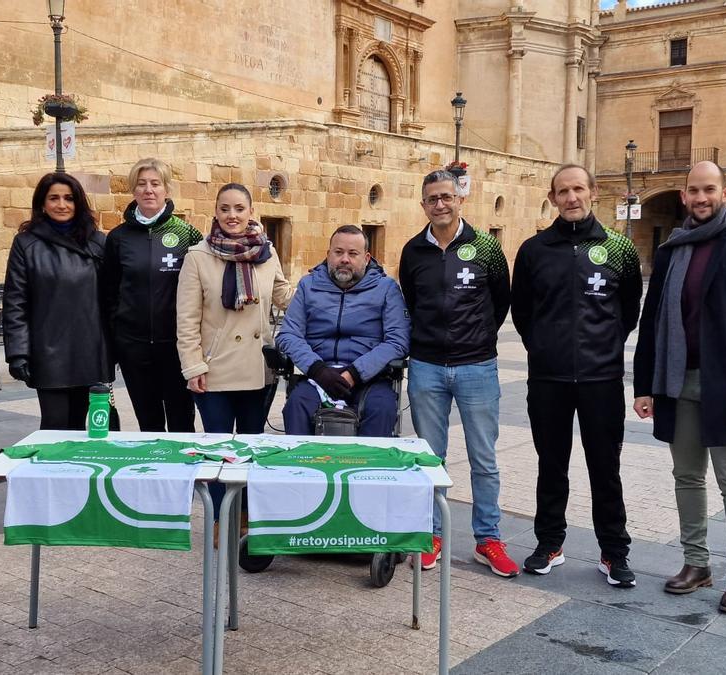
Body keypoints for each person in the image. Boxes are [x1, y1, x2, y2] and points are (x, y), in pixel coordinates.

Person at [633, 161, 726, 614]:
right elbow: (651, 319)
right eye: (694, 190)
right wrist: (645, 385)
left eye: (709, 189)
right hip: (677, 383)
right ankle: (696, 564)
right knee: (686, 477)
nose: (701, 198)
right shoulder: (670, 251)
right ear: (683, 196)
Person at [511, 164, 642, 588]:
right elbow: (522, 312)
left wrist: (601, 350)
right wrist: (547, 349)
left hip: (601, 380)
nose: (571, 197)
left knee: (605, 467)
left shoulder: (619, 248)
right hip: (547, 379)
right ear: (552, 198)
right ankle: (549, 543)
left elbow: (629, 311)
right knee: (551, 465)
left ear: (593, 192)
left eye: (578, 189)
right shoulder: (533, 250)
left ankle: (613, 552)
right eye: (563, 191)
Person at [398, 169, 518, 578]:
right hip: (427, 367)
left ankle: (488, 539)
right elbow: (411, 302)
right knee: (431, 459)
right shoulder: (414, 250)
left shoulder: (485, 247)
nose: (440, 204)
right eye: (432, 198)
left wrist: (478, 337)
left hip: (476, 367)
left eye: (447, 196)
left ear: (460, 199)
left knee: (484, 459)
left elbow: (501, 300)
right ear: (423, 205)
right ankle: (431, 534)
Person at [176, 182, 291, 520]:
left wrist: (326, 290)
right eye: (225, 208)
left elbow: (283, 293)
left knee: (251, 447)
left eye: (239, 208)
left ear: (250, 212)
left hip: (257, 370)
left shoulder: (266, 253)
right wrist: (193, 366)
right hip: (214, 371)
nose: (232, 215)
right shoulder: (198, 256)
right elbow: (186, 319)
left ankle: (245, 516)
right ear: (215, 212)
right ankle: (218, 518)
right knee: (219, 451)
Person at [275, 225, 409, 436]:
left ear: (366, 258)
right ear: (328, 255)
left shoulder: (386, 289)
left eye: (352, 254)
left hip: (369, 377)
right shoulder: (308, 286)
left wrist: (355, 373)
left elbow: (397, 341)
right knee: (296, 406)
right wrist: (319, 371)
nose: (344, 259)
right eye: (338, 252)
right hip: (318, 374)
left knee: (382, 409)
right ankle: (302, 467)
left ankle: (369, 468)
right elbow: (288, 335)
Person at [3, 172, 112, 431]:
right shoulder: (26, 244)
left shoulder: (98, 243)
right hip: (49, 352)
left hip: (90, 350)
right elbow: (16, 300)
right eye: (54, 198)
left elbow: (113, 298)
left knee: (79, 427)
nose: (61, 205)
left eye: (69, 198)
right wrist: (18, 352)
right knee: (53, 426)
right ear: (42, 203)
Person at [100, 158, 202, 432]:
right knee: (149, 423)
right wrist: (116, 341)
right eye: (142, 184)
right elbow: (109, 293)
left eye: (155, 184)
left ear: (166, 190)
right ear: (133, 191)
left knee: (182, 422)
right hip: (134, 347)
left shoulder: (186, 234)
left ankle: (185, 473)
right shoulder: (118, 238)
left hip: (176, 347)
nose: (148, 190)